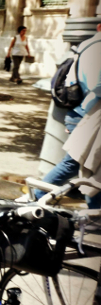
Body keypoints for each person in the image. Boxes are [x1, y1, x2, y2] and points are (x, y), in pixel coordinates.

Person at [32, 23, 101, 208]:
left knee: (90, 166)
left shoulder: (88, 46)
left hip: (84, 115)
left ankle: (95, 212)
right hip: (86, 116)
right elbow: (97, 85)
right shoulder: (97, 49)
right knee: (76, 164)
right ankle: (38, 196)